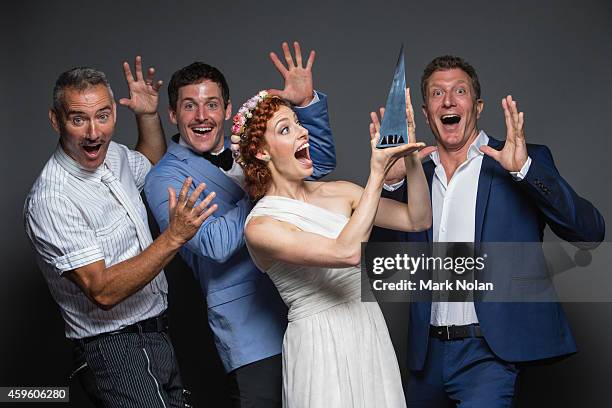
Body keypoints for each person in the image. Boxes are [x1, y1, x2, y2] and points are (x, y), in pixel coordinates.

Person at [373, 55, 606, 407]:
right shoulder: (411, 176)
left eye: (459, 91)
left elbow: (589, 231)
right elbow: (380, 266)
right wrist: (388, 184)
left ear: (477, 106)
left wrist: (524, 170)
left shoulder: (521, 161)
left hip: (490, 355)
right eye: (437, 93)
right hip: (427, 357)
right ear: (425, 112)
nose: (448, 100)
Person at [144, 42, 336, 407]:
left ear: (227, 109)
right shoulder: (163, 179)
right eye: (190, 106)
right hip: (249, 327)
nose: (202, 116)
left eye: (212, 104)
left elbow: (320, 164)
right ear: (173, 114)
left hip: (303, 302)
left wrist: (306, 103)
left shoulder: (252, 145)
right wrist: (259, 184)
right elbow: (213, 244)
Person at [23, 59, 216, 407]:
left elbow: (150, 164)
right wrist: (174, 237)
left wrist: (145, 116)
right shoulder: (53, 198)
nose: (93, 132)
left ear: (114, 113)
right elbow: (103, 290)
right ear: (56, 120)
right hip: (113, 349)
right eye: (78, 118)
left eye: (102, 115)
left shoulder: (113, 156)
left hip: (155, 335)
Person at [238, 87, 432, 407]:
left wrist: (409, 155)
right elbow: (347, 252)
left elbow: (418, 218)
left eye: (299, 124)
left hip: (367, 327)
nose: (302, 132)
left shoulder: (340, 192)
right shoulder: (260, 227)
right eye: (286, 129)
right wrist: (377, 173)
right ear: (261, 151)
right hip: (318, 342)